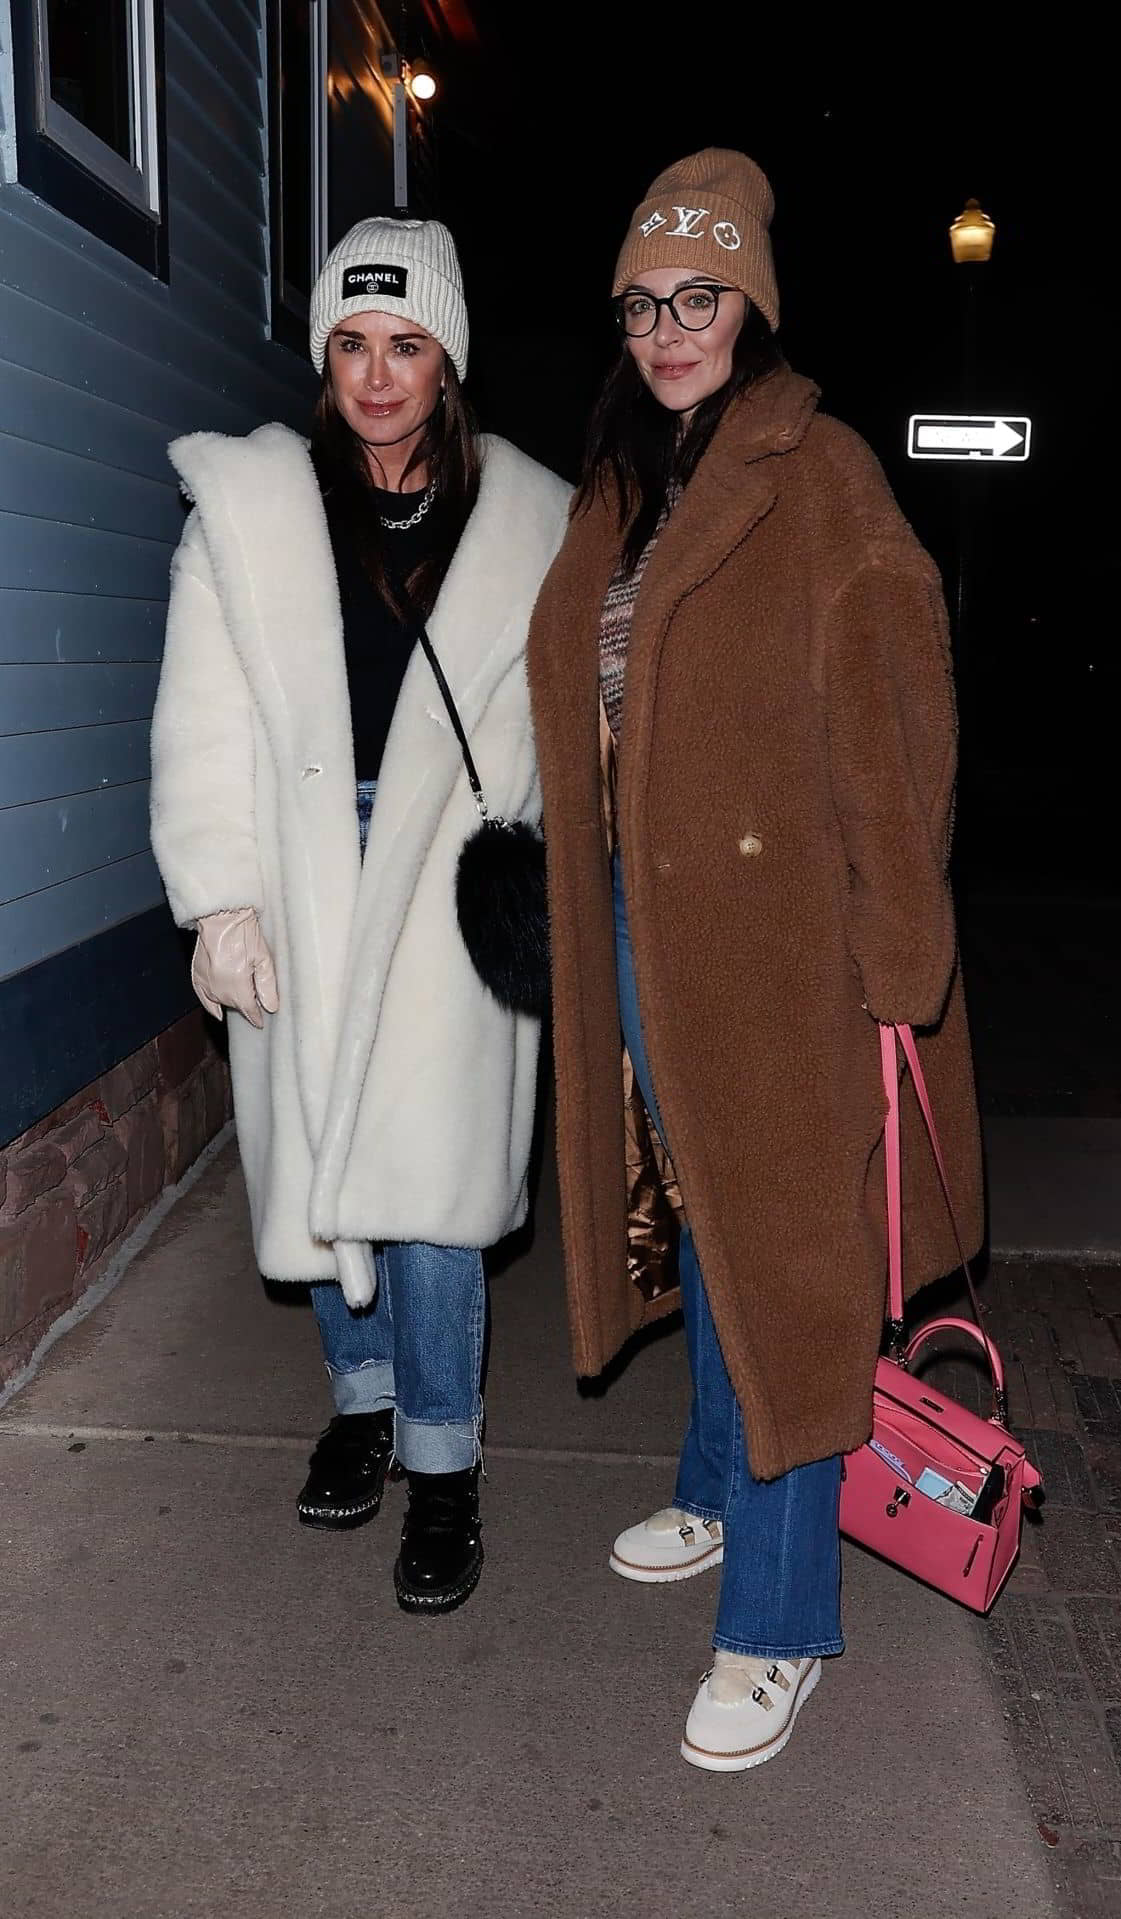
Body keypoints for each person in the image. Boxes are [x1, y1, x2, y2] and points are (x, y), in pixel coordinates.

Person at [527, 151, 983, 1770]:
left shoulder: (822, 471)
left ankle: (783, 1622)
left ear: (754, 306)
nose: (669, 328)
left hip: (788, 944)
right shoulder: (625, 479)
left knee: (788, 1270)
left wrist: (895, 957)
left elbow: (898, 711)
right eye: (645, 301)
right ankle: (721, 1491)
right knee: (711, 1223)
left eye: (699, 298)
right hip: (652, 933)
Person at [151, 217, 569, 1615]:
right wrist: (220, 898)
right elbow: (203, 721)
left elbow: (571, 727)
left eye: (405, 344)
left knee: (435, 1195)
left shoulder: (529, 520)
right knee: (324, 1153)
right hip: (307, 874)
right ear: (324, 355)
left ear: (447, 355)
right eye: (350, 343)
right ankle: (365, 1399)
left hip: (449, 884)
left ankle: (445, 1466)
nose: (378, 375)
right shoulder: (258, 516)